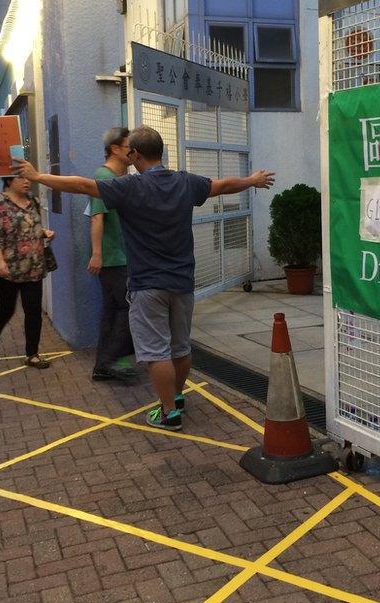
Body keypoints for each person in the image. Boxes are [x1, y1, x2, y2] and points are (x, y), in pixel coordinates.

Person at [14, 126, 275, 431]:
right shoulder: (184, 182)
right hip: (182, 282)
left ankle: (168, 413)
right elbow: (222, 185)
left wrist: (37, 177)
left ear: (136, 154)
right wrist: (252, 180)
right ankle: (176, 397)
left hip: (147, 284)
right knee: (181, 347)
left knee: (155, 352)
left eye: (129, 152)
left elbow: (83, 186)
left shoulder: (129, 187)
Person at [0, 174, 55, 368]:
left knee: (33, 311)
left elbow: (33, 227)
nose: (26, 181)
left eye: (27, 178)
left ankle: (32, 354)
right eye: (20, 178)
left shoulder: (33, 201)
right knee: (6, 309)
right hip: (8, 269)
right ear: (8, 181)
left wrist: (44, 233)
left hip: (33, 267)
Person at [88, 128, 136, 382]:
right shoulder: (103, 176)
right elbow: (97, 217)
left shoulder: (116, 176)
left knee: (113, 309)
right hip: (112, 258)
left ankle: (105, 363)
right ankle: (113, 361)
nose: (133, 150)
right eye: (129, 145)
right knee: (127, 307)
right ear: (115, 149)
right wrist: (97, 254)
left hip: (119, 256)